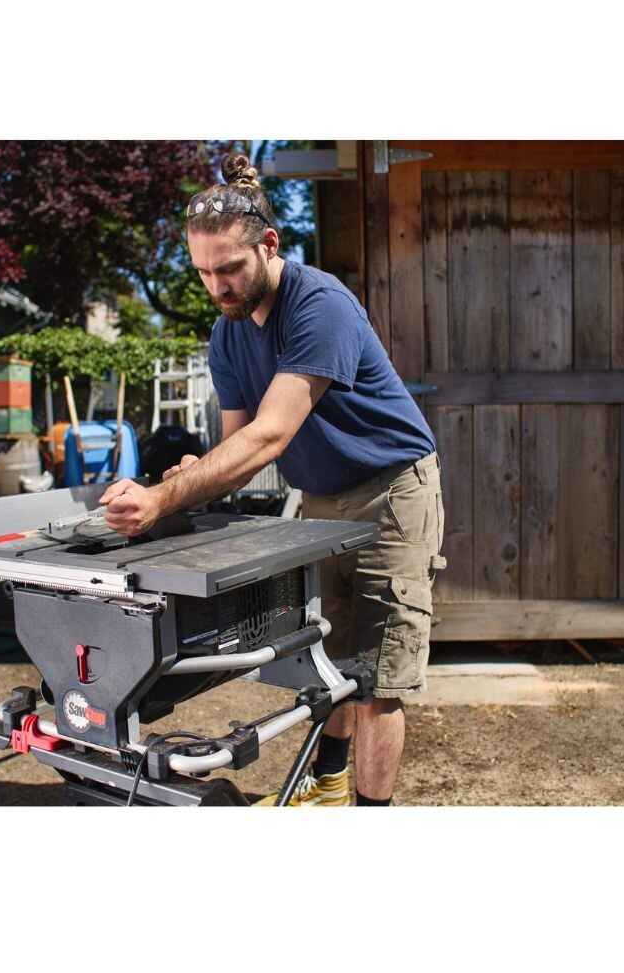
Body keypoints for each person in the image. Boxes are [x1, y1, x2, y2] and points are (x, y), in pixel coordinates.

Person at [100, 152, 445, 806]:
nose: (219, 286)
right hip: (320, 500)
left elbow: (269, 436)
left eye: (230, 268)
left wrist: (162, 498)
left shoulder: (320, 305)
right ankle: (329, 788)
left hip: (392, 493)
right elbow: (238, 447)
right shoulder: (227, 335)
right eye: (204, 273)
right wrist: (193, 476)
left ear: (268, 244)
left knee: (378, 679)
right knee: (327, 661)